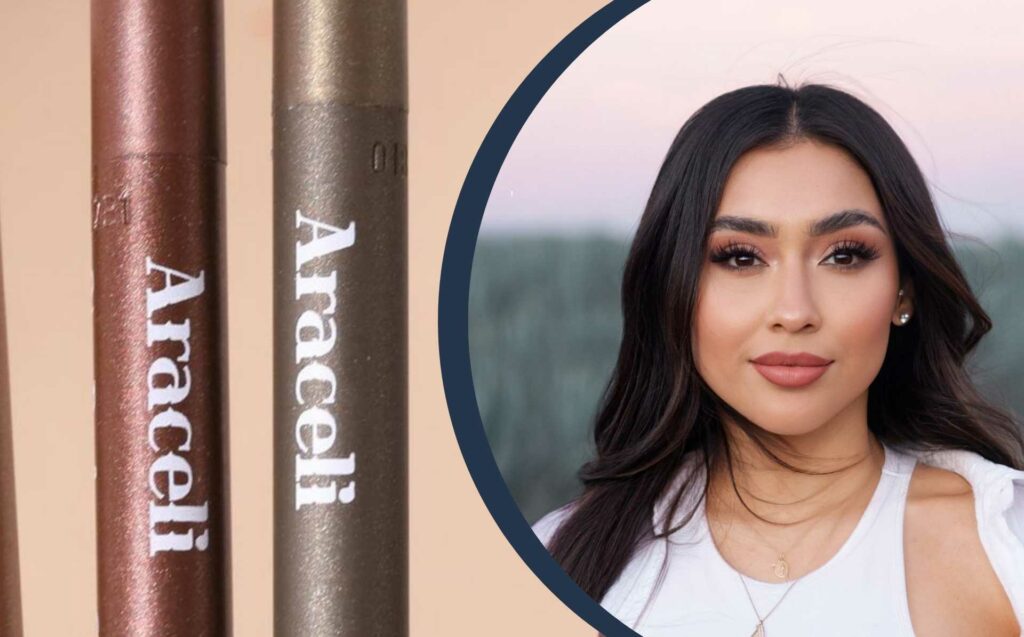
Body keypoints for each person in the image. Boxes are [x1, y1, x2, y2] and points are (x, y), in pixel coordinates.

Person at [532, 82, 1024, 636]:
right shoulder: (560, 557)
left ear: (903, 291)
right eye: (740, 257)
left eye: (844, 255)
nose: (794, 312)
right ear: (674, 288)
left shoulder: (1005, 547)